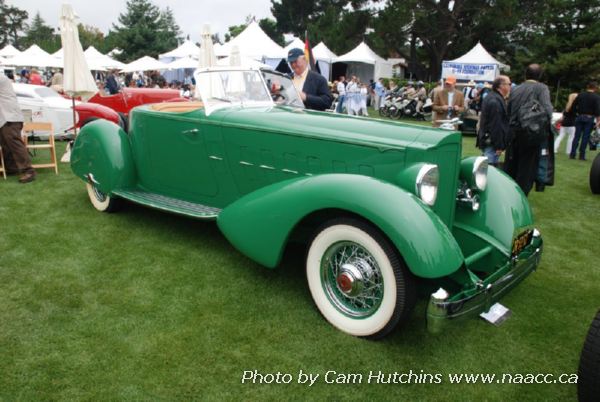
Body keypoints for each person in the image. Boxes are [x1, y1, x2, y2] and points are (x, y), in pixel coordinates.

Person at [504, 63, 553, 195]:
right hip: (530, 133)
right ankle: (520, 195)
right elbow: (548, 110)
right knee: (527, 167)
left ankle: (508, 191)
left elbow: (509, 110)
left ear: (526, 74)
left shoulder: (515, 89)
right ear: (540, 76)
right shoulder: (541, 88)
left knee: (512, 163)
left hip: (514, 131)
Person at [0, 74, 36, 183]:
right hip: (6, 117)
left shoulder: (1, 78)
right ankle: (11, 168)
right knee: (6, 144)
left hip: (9, 117)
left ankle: (29, 171)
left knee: (14, 144)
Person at [476, 75, 512, 166]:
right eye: (509, 84)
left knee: (488, 167)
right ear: (501, 86)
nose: (510, 86)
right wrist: (499, 145)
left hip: (490, 140)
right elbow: (496, 125)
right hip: (491, 142)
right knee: (489, 169)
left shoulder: (494, 97)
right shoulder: (495, 101)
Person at [569, 81, 600, 160]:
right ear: (595, 88)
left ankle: (572, 154)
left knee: (576, 136)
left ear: (588, 87)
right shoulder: (596, 97)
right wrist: (598, 120)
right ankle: (581, 155)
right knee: (585, 137)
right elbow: (597, 110)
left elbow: (573, 106)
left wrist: (575, 114)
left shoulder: (580, 95)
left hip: (579, 116)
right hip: (589, 118)